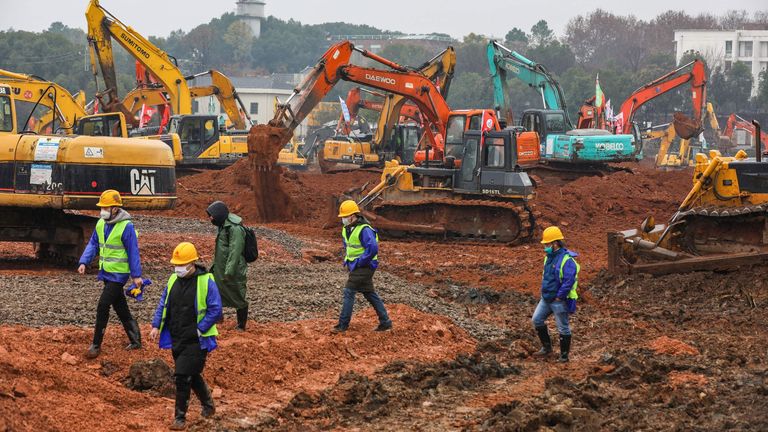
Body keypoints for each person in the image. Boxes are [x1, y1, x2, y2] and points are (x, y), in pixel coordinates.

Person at [150, 242, 222, 430]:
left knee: (182, 376)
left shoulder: (206, 281)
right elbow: (163, 303)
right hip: (177, 337)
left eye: (182, 265)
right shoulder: (173, 279)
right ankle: (208, 404)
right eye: (176, 265)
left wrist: (201, 328)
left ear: (192, 263)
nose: (178, 268)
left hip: (197, 340)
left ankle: (180, 418)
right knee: (191, 373)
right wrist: (156, 325)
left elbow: (216, 310)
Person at [77, 189, 143, 359]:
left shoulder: (126, 226)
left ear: (115, 208)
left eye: (106, 207)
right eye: (102, 207)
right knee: (120, 306)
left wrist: (136, 276)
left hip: (119, 275)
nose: (102, 211)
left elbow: (133, 252)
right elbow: (93, 244)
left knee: (103, 305)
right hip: (106, 273)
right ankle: (135, 339)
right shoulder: (100, 224)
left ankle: (96, 344)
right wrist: (84, 261)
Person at [332, 200, 392, 333]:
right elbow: (348, 246)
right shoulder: (346, 228)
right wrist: (348, 261)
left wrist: (359, 262)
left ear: (353, 216)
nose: (343, 219)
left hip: (365, 266)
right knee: (369, 293)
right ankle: (385, 322)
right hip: (356, 265)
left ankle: (342, 325)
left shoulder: (364, 229)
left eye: (345, 216)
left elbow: (372, 249)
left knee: (349, 292)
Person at [532, 226, 580, 363]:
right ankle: (547, 348)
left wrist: (560, 296)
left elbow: (569, 280)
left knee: (563, 328)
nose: (545, 247)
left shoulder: (567, 260)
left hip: (558, 300)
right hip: (546, 298)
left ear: (555, 243)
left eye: (547, 244)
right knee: (536, 319)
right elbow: (546, 276)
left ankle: (564, 356)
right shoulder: (548, 258)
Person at [206, 201, 249, 330]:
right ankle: (218, 317)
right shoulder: (223, 225)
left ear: (219, 214)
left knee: (237, 295)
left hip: (233, 270)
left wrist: (229, 272)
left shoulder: (234, 228)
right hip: (221, 268)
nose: (210, 219)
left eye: (212, 216)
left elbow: (235, 252)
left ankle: (241, 325)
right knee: (215, 292)